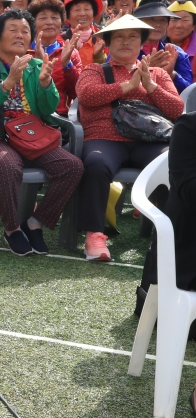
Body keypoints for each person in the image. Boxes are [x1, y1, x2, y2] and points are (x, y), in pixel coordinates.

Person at [0, 8, 83, 254]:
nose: (20, 35)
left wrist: (45, 84)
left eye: (25, 31)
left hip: (30, 137)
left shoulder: (37, 65)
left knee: (72, 166)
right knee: (8, 166)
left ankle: (34, 223)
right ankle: (12, 229)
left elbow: (49, 108)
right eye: (13, 30)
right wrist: (7, 83)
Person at [75, 14, 184, 261]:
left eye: (133, 37)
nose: (126, 42)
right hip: (105, 138)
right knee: (96, 164)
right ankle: (94, 235)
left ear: (141, 43)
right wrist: (127, 86)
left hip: (149, 140)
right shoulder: (94, 69)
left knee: (172, 163)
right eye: (120, 37)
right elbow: (87, 95)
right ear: (108, 44)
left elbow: (178, 110)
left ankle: (171, 234)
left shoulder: (157, 73)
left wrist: (149, 85)